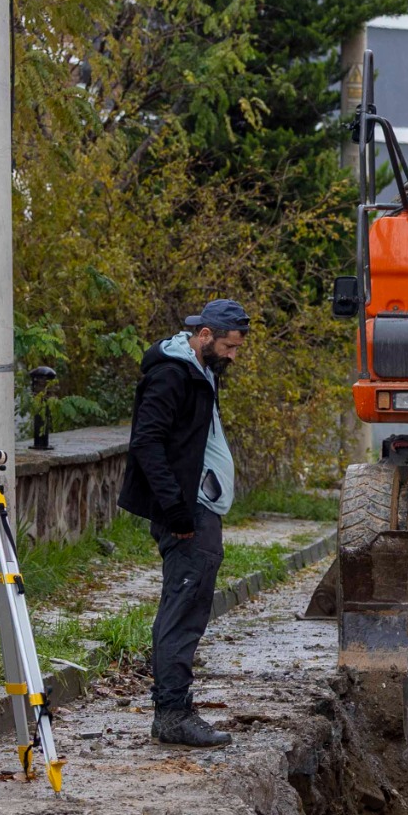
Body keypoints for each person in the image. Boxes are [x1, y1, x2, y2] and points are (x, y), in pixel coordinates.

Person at [119, 298, 251, 748]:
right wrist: (176, 510)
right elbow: (147, 443)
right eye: (230, 346)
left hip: (198, 506)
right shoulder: (172, 373)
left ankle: (174, 709)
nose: (234, 355)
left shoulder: (200, 371)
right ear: (205, 335)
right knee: (183, 607)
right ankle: (172, 714)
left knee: (191, 605)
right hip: (186, 511)